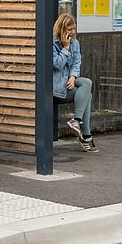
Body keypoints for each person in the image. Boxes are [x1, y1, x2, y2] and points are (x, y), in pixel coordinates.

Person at [52, 13, 97, 152]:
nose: (72, 32)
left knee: (87, 82)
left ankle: (76, 121)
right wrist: (65, 48)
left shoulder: (75, 43)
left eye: (74, 28)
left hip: (68, 82)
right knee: (87, 96)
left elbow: (77, 63)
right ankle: (86, 136)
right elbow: (57, 65)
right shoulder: (52, 43)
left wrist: (72, 77)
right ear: (61, 29)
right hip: (56, 88)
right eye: (69, 29)